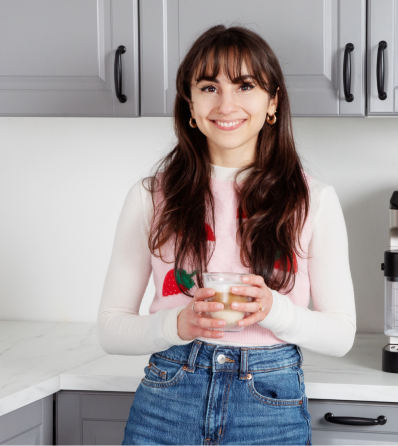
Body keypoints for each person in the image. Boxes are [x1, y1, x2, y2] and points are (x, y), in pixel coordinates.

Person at [97, 25, 356, 445]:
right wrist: (177, 325)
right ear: (190, 104)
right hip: (167, 399)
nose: (226, 103)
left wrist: (274, 311)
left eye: (245, 85)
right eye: (209, 87)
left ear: (272, 101)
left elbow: (342, 334)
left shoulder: (313, 200)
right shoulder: (150, 196)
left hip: (269, 405)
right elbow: (110, 329)